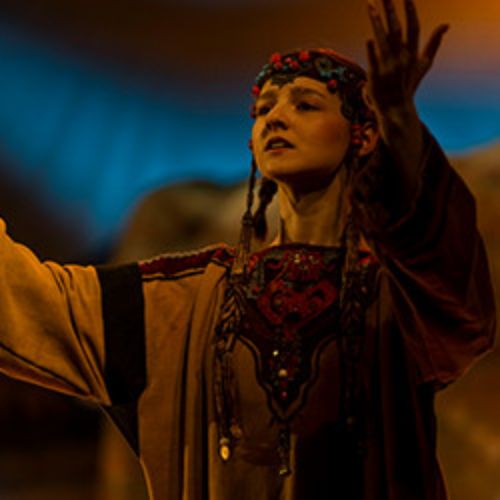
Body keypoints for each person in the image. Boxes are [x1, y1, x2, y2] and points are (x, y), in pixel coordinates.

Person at [0, 0, 495, 499]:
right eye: (264, 109)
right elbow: (28, 303)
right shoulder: (183, 303)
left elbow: (457, 301)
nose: (276, 118)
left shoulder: (395, 304)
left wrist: (402, 130)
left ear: (361, 134)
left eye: (305, 104)